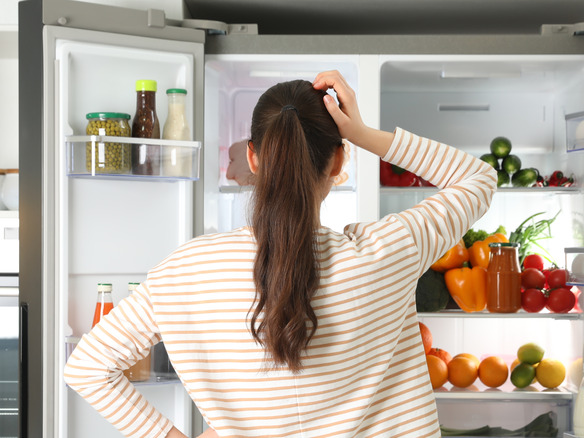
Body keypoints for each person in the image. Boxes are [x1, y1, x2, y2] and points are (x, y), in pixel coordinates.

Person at [64, 71, 497, 437]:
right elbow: (477, 178)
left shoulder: (187, 270)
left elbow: (86, 368)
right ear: (337, 163)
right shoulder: (388, 252)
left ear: (253, 158)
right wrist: (360, 131)